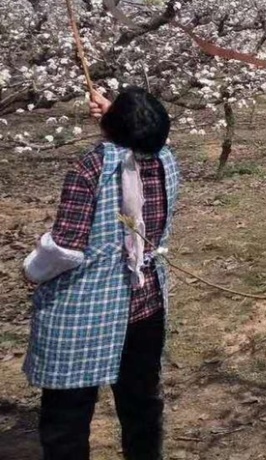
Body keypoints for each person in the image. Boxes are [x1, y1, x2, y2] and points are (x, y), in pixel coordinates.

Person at [23, 86, 179, 460]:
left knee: (67, 416)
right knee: (141, 402)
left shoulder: (93, 166)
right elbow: (134, 142)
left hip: (86, 309)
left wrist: (31, 269)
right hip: (145, 303)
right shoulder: (166, 159)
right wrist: (114, 118)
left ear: (114, 127)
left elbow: (66, 247)